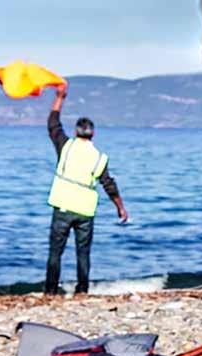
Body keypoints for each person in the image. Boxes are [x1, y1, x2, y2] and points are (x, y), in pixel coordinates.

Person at [45, 83, 128, 295]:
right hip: (85, 212)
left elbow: (53, 123)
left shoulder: (66, 146)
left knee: (56, 252)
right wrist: (121, 208)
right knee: (83, 253)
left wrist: (60, 98)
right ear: (93, 134)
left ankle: (51, 291)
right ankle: (82, 291)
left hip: (63, 206)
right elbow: (109, 184)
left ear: (76, 132)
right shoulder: (99, 157)